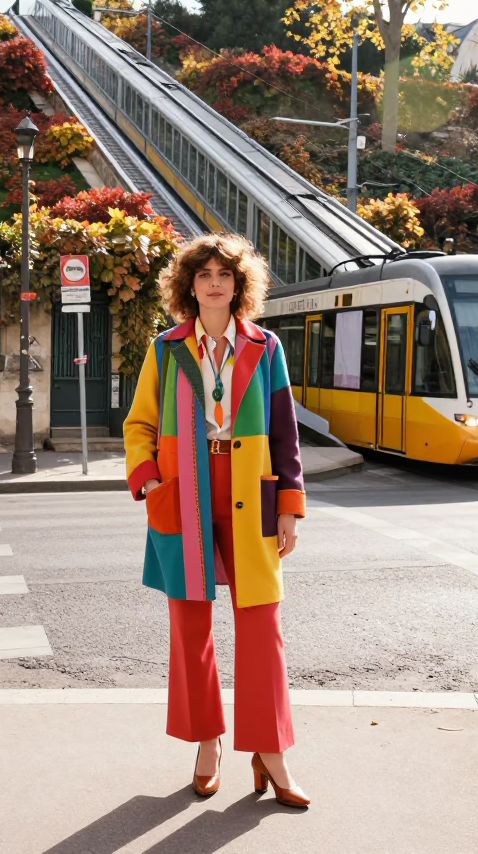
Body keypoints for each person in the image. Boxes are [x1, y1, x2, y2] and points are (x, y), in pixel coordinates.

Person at [123, 233, 310, 808]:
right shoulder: (165, 347)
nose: (214, 283)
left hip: (251, 491)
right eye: (203, 275)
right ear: (189, 286)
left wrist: (289, 505)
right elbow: (139, 426)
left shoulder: (266, 346)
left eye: (224, 275)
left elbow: (285, 433)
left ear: (238, 285)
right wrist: (152, 482)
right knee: (190, 627)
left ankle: (269, 752)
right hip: (185, 491)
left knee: (261, 629)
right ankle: (208, 743)